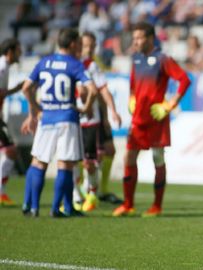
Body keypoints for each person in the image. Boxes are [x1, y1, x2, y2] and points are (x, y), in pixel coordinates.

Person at [112, 22, 190, 217]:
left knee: (158, 158)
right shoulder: (136, 59)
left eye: (139, 38)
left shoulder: (163, 59)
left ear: (150, 38)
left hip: (157, 119)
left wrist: (169, 105)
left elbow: (184, 80)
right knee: (129, 157)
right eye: (134, 38)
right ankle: (128, 204)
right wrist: (132, 98)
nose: (135, 41)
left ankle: (157, 205)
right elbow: (132, 84)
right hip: (138, 120)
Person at [21, 28, 97, 217]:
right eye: (79, 43)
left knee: (39, 162)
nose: (80, 47)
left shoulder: (44, 62)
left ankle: (34, 207)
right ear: (72, 44)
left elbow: (26, 88)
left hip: (46, 118)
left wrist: (36, 108)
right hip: (67, 118)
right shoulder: (75, 64)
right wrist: (87, 107)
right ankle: (56, 209)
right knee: (65, 165)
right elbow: (92, 89)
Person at [74, 31, 122, 212]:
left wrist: (110, 113)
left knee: (104, 152)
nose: (90, 49)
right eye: (87, 46)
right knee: (81, 157)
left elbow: (103, 91)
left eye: (93, 46)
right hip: (77, 117)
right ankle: (84, 191)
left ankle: (98, 190)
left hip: (94, 116)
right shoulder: (74, 64)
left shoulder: (93, 64)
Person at [0, 38, 23, 206]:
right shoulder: (1, 67)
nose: (20, 53)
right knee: (10, 151)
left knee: (9, 151)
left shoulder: (4, 66)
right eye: (18, 50)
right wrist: (17, 89)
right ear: (10, 52)